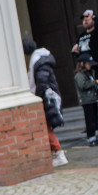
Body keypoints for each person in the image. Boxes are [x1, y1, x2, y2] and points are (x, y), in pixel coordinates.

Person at [24, 39, 68, 167]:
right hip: (47, 97)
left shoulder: (39, 62)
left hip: (46, 98)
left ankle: (59, 153)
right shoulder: (40, 60)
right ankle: (56, 153)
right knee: (45, 125)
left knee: (45, 126)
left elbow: (42, 82)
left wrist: (37, 98)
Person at [75, 52, 98, 145]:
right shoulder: (79, 75)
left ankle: (96, 135)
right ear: (82, 64)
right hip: (86, 100)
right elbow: (83, 85)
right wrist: (95, 82)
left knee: (95, 118)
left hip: (93, 99)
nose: (90, 66)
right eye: (88, 64)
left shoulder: (90, 73)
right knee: (90, 119)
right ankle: (91, 137)